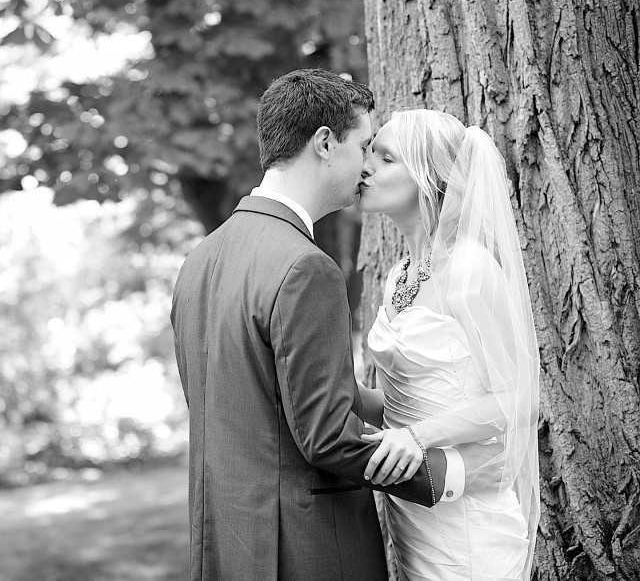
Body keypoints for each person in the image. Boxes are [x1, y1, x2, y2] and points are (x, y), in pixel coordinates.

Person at [171, 70, 468, 580]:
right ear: (326, 143)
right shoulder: (304, 266)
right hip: (306, 549)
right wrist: (449, 474)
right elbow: (328, 437)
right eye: (363, 145)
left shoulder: (200, 260)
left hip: (228, 544)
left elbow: (262, 402)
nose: (366, 166)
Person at [357, 109, 540, 580]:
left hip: (470, 521)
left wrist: (418, 438)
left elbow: (518, 399)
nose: (366, 167)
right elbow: (408, 404)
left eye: (385, 158)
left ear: (427, 177)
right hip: (416, 506)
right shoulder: (400, 275)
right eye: (368, 153)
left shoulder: (470, 269)